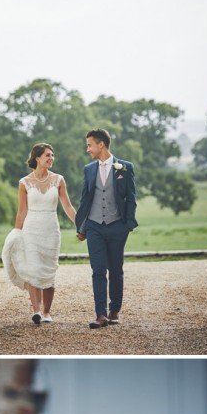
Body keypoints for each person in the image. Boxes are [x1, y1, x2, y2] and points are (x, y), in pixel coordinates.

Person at [1, 145, 77, 324]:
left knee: (49, 271)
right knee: (33, 269)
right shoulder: (24, 182)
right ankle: (36, 311)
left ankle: (47, 312)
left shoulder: (59, 180)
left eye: (52, 155)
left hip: (51, 230)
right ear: (37, 158)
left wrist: (80, 225)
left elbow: (67, 206)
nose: (51, 158)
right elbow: (21, 211)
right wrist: (16, 233)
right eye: (47, 155)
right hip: (31, 230)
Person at [75, 129, 137, 329]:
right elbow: (86, 198)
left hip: (117, 226)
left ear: (101, 144)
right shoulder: (89, 169)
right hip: (94, 226)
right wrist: (82, 226)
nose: (88, 149)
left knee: (116, 270)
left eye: (89, 145)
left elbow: (131, 198)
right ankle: (100, 314)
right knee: (98, 270)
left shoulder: (124, 168)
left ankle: (114, 310)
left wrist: (127, 225)